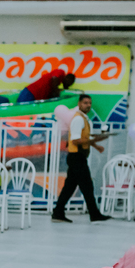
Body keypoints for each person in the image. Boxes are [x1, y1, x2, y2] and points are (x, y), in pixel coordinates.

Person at [50, 94, 113, 224]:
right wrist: (95, 139)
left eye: (89, 103)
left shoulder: (83, 118)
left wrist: (96, 145)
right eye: (85, 103)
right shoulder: (78, 119)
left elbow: (84, 138)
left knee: (69, 187)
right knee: (87, 186)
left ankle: (58, 212)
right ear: (79, 104)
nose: (88, 105)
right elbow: (75, 140)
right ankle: (94, 214)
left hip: (77, 157)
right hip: (76, 157)